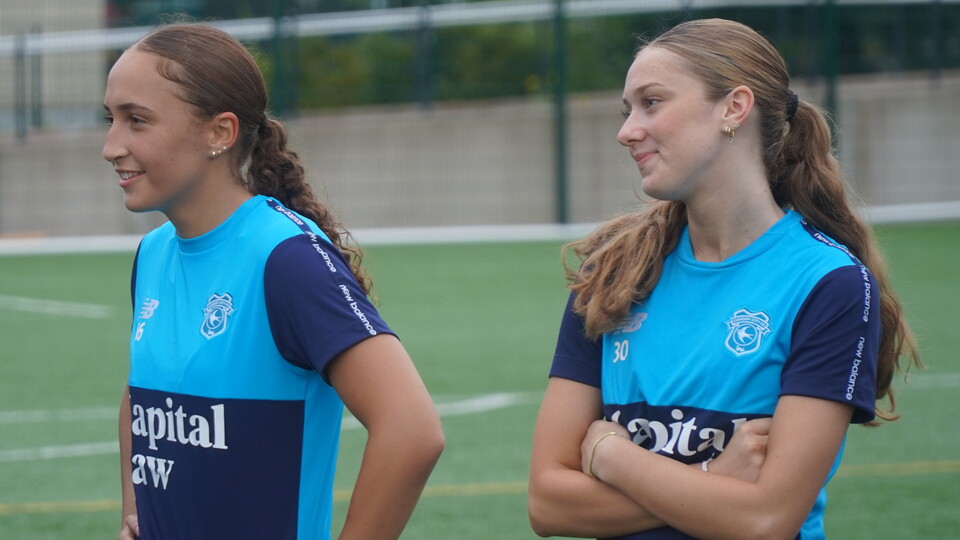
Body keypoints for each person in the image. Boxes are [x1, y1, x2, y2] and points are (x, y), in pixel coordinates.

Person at [528, 18, 920, 540]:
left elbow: (765, 518)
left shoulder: (830, 284)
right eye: (627, 111)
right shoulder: (614, 273)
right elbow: (549, 505)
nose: (627, 131)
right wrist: (712, 481)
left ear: (734, 108)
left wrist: (610, 454)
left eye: (652, 102)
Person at [103, 23, 444, 540]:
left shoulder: (286, 258)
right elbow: (141, 400)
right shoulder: (153, 253)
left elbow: (412, 430)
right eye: (111, 119)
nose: (111, 146)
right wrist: (136, 516)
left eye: (137, 121)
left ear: (220, 132)